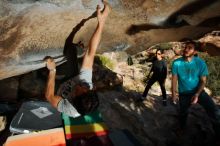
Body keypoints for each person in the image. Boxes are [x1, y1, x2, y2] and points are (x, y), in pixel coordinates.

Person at [45, 1, 110, 117]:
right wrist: (101, 23)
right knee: (69, 48)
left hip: (63, 86)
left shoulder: (68, 108)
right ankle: (77, 50)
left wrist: (52, 71)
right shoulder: (86, 84)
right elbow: (91, 53)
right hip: (72, 76)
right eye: (86, 89)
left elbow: (49, 96)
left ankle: (56, 70)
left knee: (50, 71)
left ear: (73, 99)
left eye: (79, 90)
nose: (82, 86)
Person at [171, 40, 220, 133]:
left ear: (195, 51)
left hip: (198, 91)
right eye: (185, 47)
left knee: (213, 110)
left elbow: (203, 81)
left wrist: (197, 94)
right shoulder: (176, 63)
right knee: (183, 113)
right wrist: (173, 94)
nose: (186, 49)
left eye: (190, 48)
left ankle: (218, 132)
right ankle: (182, 128)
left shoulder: (200, 63)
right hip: (184, 93)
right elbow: (174, 80)